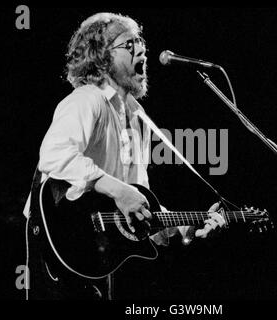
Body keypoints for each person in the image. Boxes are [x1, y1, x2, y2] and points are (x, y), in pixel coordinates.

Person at [23, 12, 225, 300]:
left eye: (140, 41)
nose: (141, 48)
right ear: (101, 57)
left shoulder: (136, 115)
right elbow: (54, 154)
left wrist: (184, 227)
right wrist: (118, 190)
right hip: (59, 240)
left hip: (96, 254)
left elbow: (136, 202)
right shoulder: (86, 100)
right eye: (129, 43)